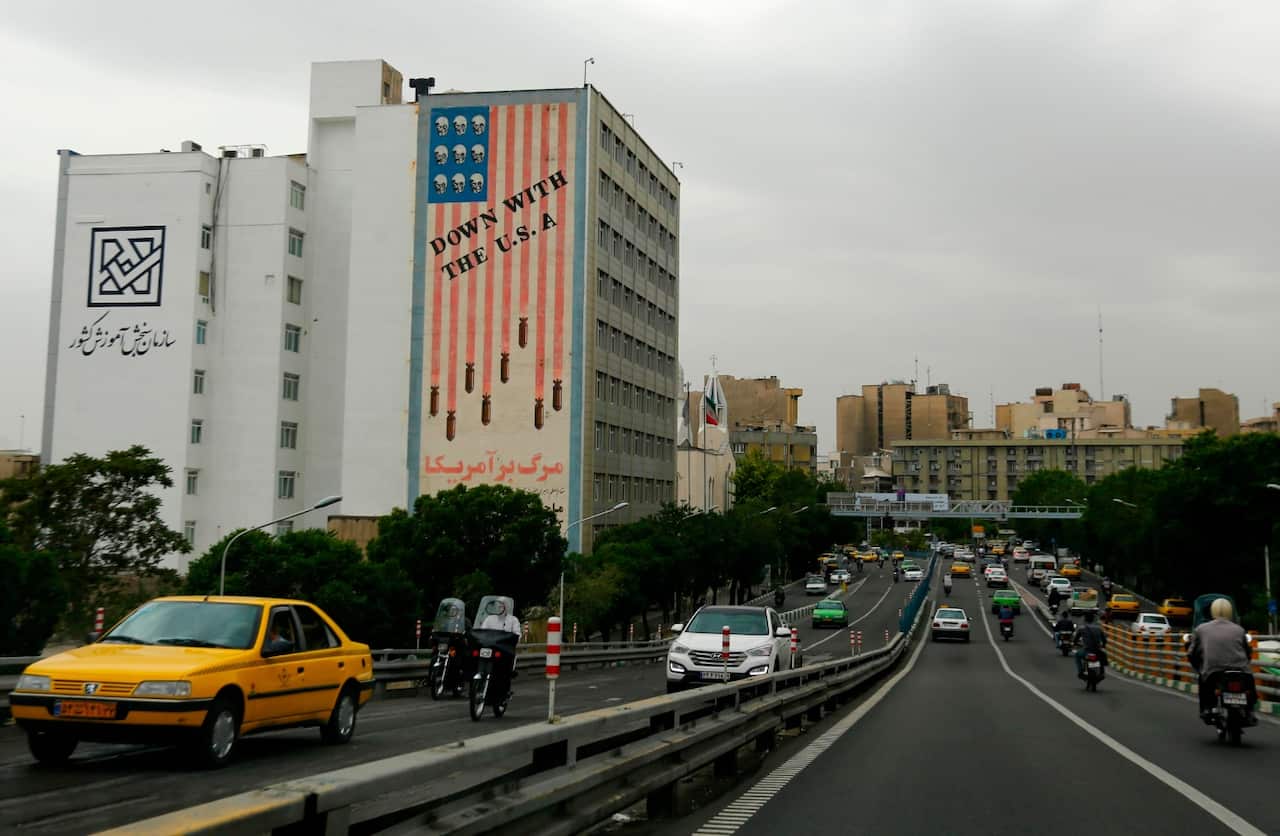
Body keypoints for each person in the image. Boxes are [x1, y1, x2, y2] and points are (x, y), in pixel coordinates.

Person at [1188, 598, 1257, 725]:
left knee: (1203, 681)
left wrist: (1198, 666)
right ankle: (1250, 711)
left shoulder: (1201, 629)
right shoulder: (1239, 630)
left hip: (1213, 671)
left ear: (1212, 611)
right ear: (1230, 612)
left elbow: (1191, 653)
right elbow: (1248, 652)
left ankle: (1208, 708)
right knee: (1250, 685)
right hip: (1241, 672)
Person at [1073, 610, 1107, 677]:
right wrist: (1103, 646)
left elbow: (1075, 639)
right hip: (1097, 651)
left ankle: (1080, 672)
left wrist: (1075, 643)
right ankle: (1102, 672)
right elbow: (1104, 640)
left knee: (1077, 655)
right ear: (1093, 619)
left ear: (1085, 619)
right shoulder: (1099, 628)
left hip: (1087, 651)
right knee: (1101, 658)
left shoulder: (1082, 628)